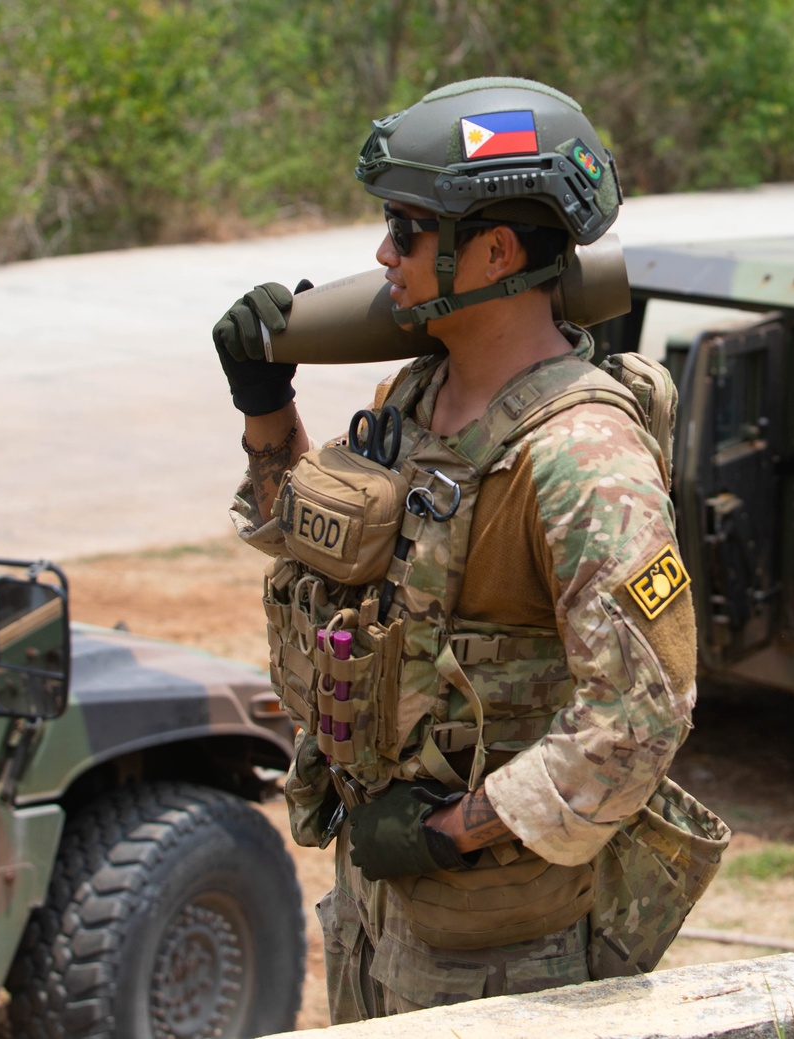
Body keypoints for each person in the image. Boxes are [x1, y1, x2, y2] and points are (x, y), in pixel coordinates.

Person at [214, 77, 697, 1021]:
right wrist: (265, 405)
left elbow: (640, 720)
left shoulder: (583, 459)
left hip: (500, 944)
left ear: (496, 251)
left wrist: (451, 832)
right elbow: (313, 546)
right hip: (377, 908)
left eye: (407, 228)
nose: (383, 254)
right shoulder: (412, 398)